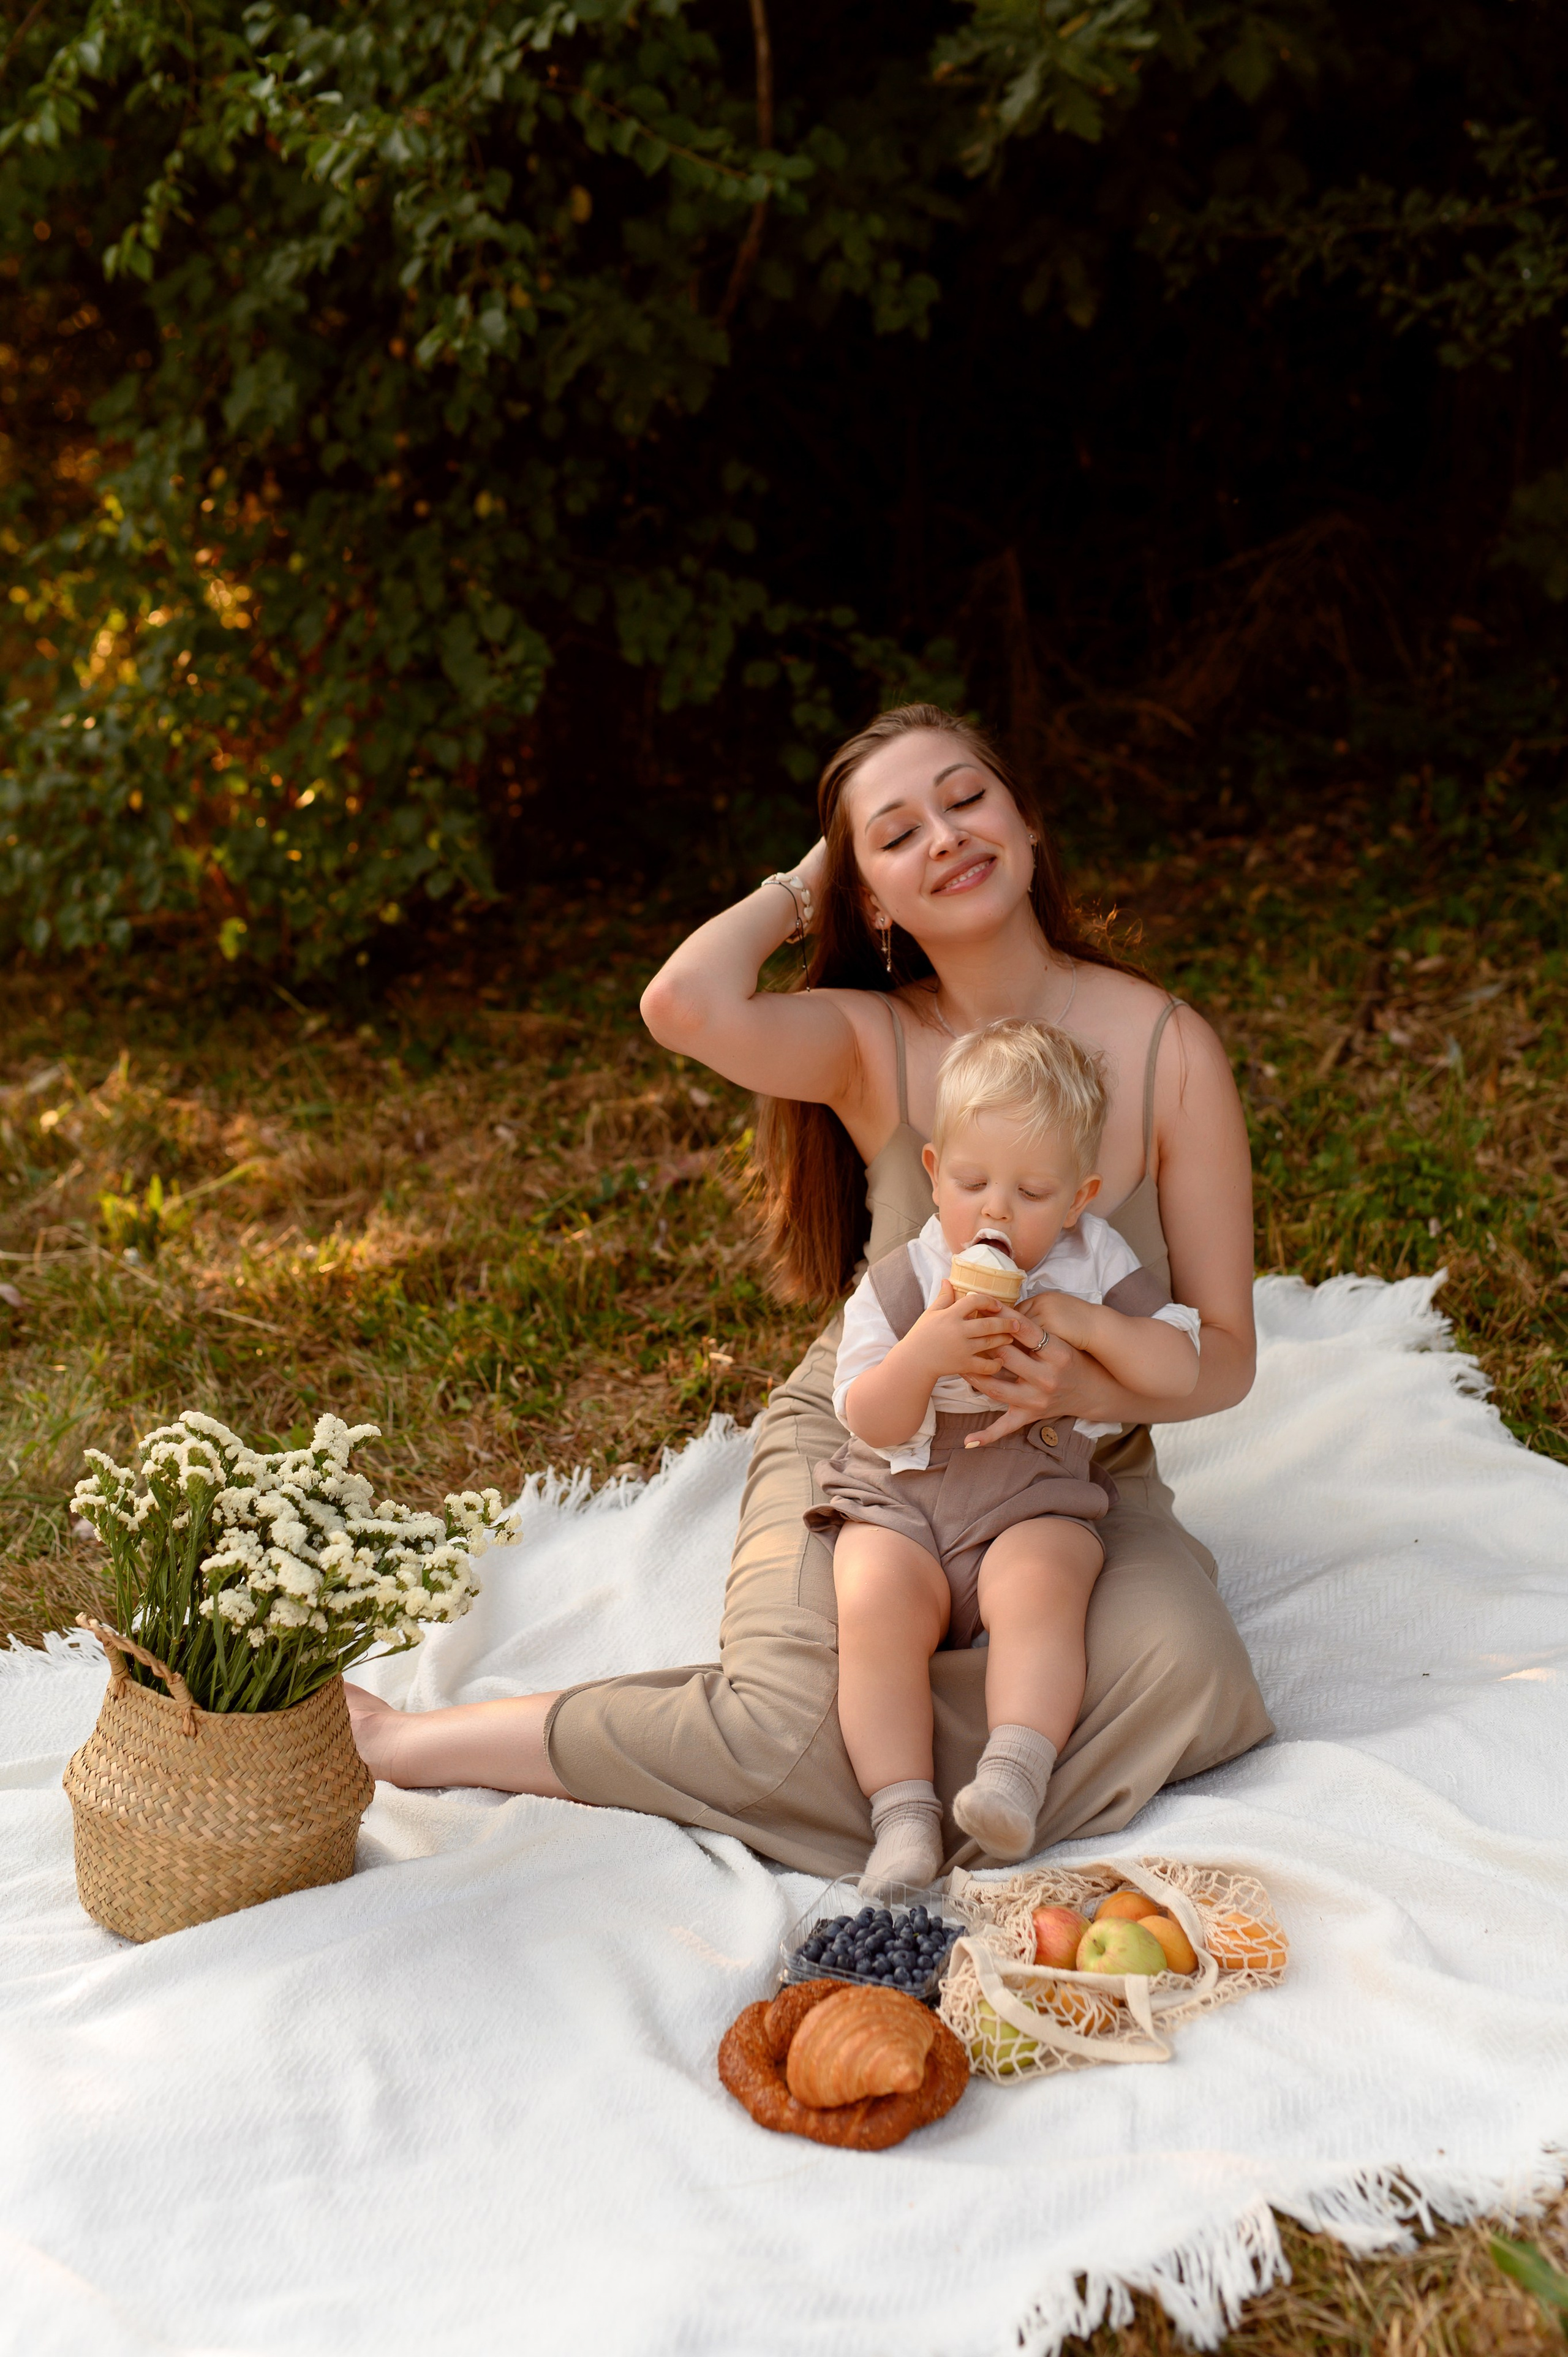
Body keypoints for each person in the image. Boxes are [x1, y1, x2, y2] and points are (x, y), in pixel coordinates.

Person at [347, 702, 1273, 1874]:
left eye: (969, 799)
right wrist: (812, 878)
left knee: (1188, 1675)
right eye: (898, 832)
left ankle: (922, 1775)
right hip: (869, 1439)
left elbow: (1228, 1353)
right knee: (786, 1730)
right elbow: (680, 1007)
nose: (945, 834)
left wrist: (1085, 1374)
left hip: (1069, 1457)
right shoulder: (869, 1038)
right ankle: (421, 1742)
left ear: (1030, 828)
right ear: (870, 898)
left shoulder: (1166, 1047)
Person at [816, 1016, 1201, 1895]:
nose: (994, 1210)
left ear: (1078, 1199)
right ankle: (904, 1818)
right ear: (933, 1174)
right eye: (972, 1181)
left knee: (1045, 1582)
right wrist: (923, 1353)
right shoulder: (906, 1279)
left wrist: (1089, 1322)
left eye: (1032, 1192)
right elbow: (867, 1418)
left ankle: (1012, 1779)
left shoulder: (1091, 1261)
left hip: (1029, 1492)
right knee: (872, 1609)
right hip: (901, 1498)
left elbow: (1178, 1364)